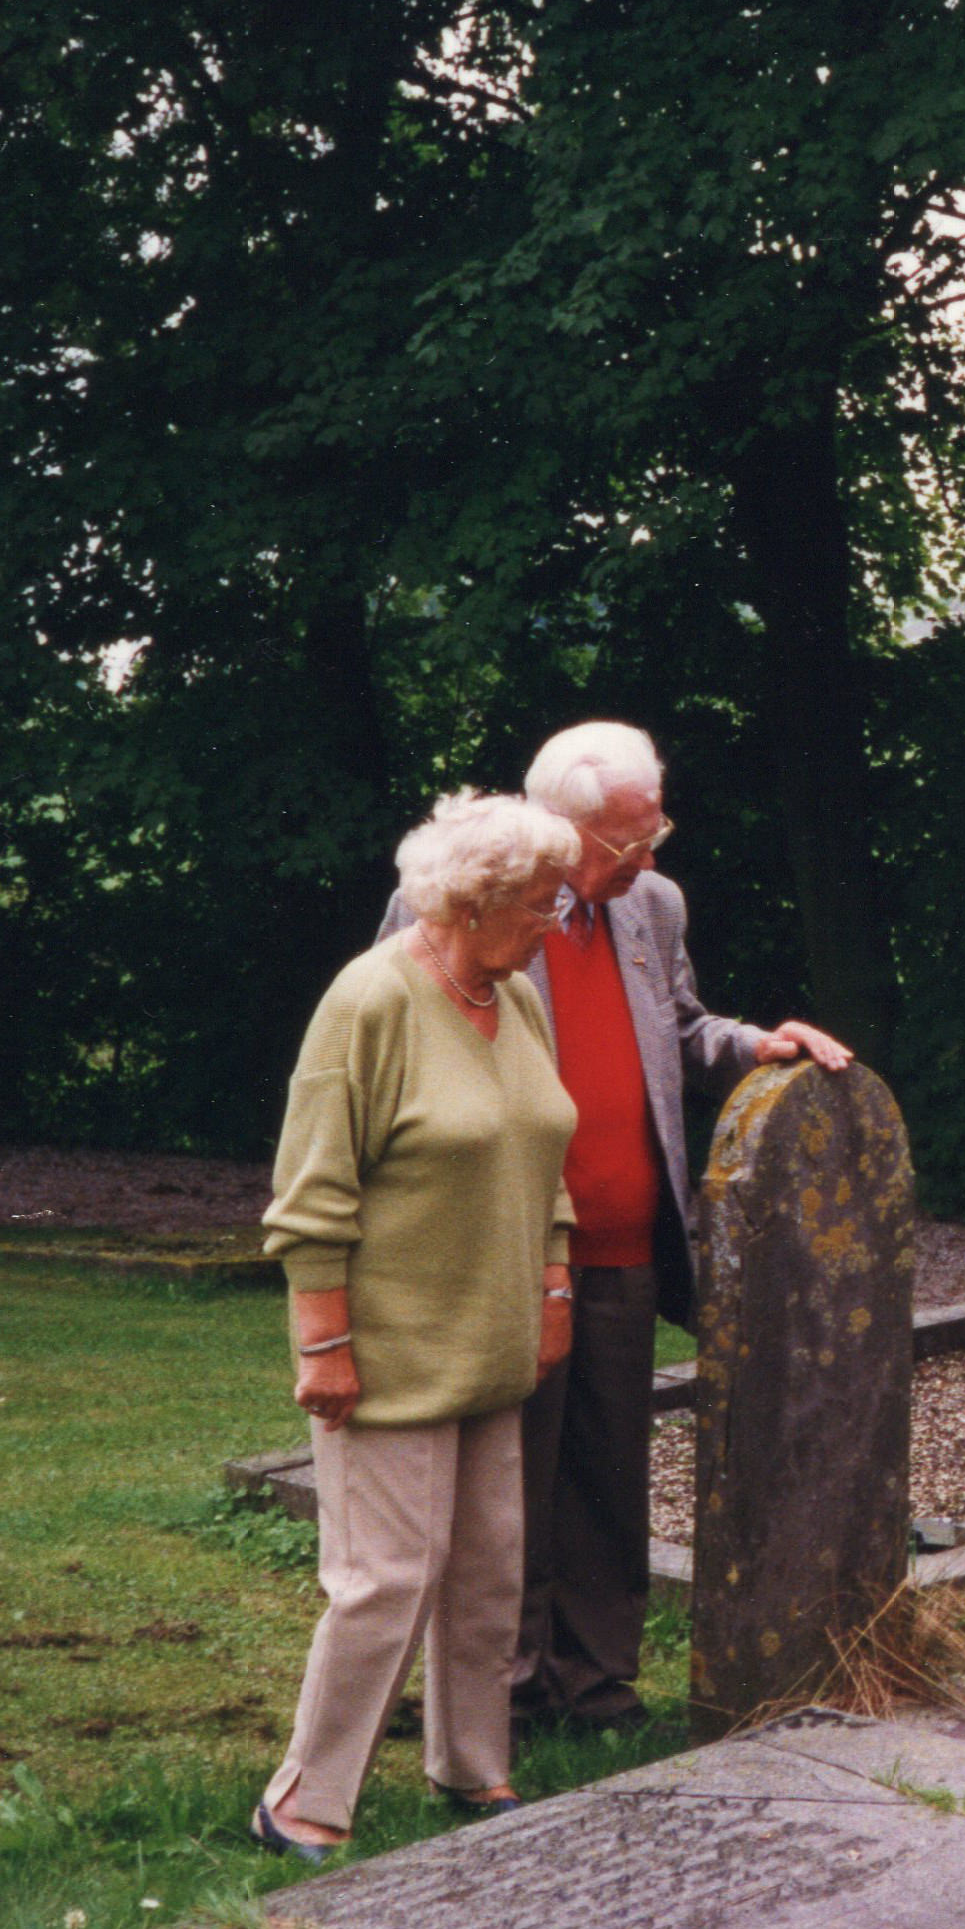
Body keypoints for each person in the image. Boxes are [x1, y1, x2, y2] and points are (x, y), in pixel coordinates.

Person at [382, 722, 851, 1735]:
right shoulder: (466, 897)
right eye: (628, 839)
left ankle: (597, 1683)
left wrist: (754, 1044)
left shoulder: (651, 904)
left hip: (626, 1243)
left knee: (608, 1477)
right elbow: (404, 1049)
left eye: (654, 832)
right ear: (558, 827)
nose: (648, 856)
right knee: (508, 1482)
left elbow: (675, 1026)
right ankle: (500, 1688)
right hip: (506, 1249)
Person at [253, 791, 583, 1859]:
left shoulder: (516, 997)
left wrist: (554, 1288)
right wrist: (323, 1345)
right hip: (388, 1348)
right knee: (384, 1580)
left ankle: (473, 1765)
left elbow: (547, 1157)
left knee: (488, 1573)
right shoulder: (370, 1000)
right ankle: (302, 1799)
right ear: (472, 902)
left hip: (494, 1340)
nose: (554, 922)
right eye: (539, 904)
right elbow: (311, 1195)